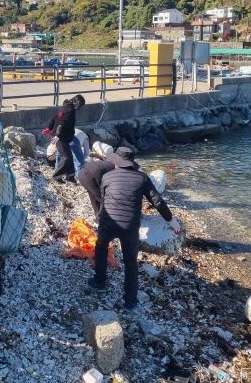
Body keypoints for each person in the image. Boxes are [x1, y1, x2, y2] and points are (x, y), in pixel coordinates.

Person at [89, 147, 181, 311]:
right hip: (129, 226)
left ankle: (99, 282)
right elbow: (157, 202)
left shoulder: (107, 176)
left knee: (101, 248)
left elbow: (103, 202)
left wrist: (101, 220)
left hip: (108, 222)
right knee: (130, 262)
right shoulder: (142, 178)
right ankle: (130, 302)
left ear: (116, 162)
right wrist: (171, 221)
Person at [42, 94, 85, 183]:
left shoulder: (65, 107)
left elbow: (55, 117)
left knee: (68, 156)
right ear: (76, 102)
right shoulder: (70, 110)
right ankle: (57, 176)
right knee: (67, 157)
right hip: (62, 137)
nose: (79, 108)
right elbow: (61, 124)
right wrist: (57, 136)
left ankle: (70, 176)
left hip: (65, 136)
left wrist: (49, 128)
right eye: (80, 106)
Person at [77, 149, 129, 220]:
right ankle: (104, 218)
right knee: (103, 199)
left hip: (81, 174)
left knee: (93, 196)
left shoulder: (109, 162)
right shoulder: (118, 168)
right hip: (90, 175)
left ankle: (98, 218)